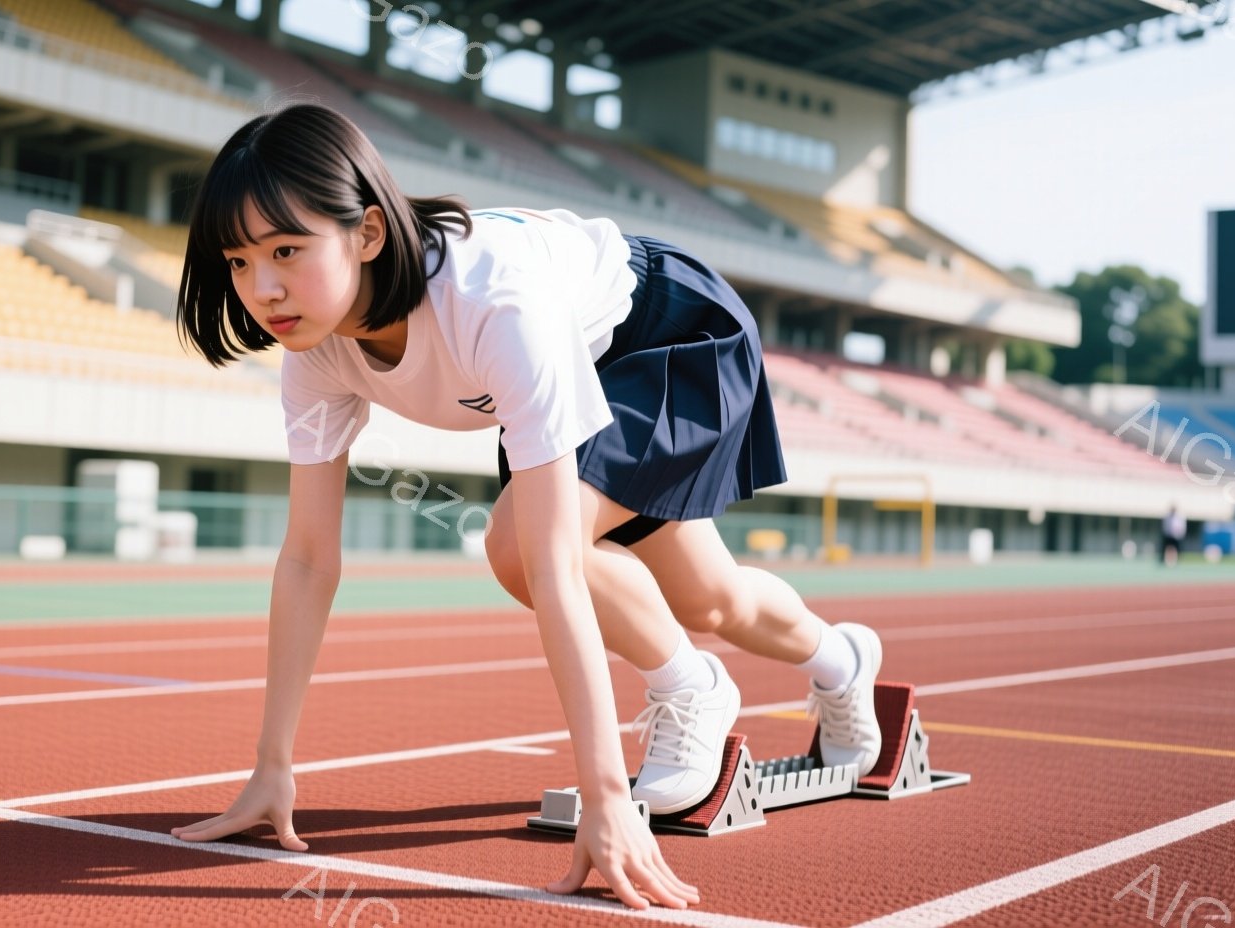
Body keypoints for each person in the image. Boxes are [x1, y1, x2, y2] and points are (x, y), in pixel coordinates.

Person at [169, 103, 883, 911]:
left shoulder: (491, 299)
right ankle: (842, 661)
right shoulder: (317, 353)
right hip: (576, 367)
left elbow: (551, 564)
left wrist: (606, 793)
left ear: (367, 233)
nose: (262, 288)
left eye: (287, 251)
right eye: (238, 261)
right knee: (709, 596)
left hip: (666, 337)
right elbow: (306, 558)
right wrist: (273, 765)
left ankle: (691, 688)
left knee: (525, 548)